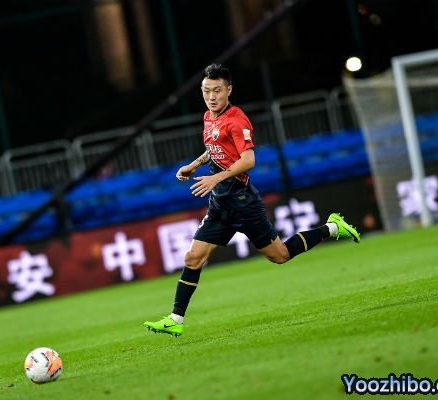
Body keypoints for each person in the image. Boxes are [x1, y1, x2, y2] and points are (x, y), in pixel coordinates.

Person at [143, 64, 360, 337]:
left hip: (242, 202)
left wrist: (215, 178)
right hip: (220, 203)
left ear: (229, 90)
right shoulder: (209, 117)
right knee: (193, 257)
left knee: (280, 255)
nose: (211, 96)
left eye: (217, 91)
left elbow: (248, 160)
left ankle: (332, 227)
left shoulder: (237, 120)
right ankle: (175, 319)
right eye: (206, 91)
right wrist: (193, 165)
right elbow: (214, 149)